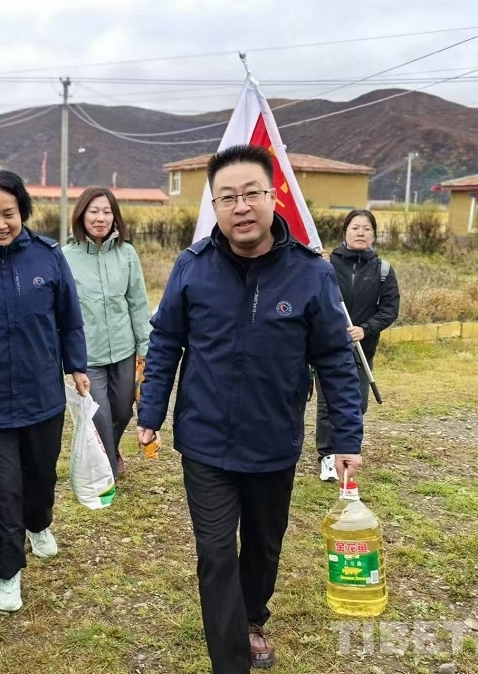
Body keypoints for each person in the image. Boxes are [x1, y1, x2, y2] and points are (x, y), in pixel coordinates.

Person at [136, 144, 364, 674]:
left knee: (263, 546)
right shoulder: (192, 267)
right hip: (206, 440)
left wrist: (346, 439)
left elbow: (335, 359)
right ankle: (231, 660)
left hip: (273, 439)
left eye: (251, 194)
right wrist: (150, 413)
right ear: (214, 206)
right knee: (216, 553)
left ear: (272, 196)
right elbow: (166, 341)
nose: (240, 207)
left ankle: (253, 617)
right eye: (227, 197)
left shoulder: (310, 273)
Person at [0, 167, 89, 614]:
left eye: (9, 213)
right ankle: (7, 571)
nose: (1, 224)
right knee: (2, 490)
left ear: (22, 211)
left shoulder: (48, 257)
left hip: (43, 394)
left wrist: (76, 366)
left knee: (40, 478)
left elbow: (69, 318)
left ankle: (38, 523)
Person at [62, 187, 151, 480]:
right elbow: (62, 311)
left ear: (115, 217)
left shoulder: (127, 254)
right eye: (94, 211)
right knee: (99, 415)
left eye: (106, 212)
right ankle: (106, 472)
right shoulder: (65, 257)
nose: (100, 218)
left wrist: (145, 346)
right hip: (89, 354)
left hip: (124, 350)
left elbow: (138, 303)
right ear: (81, 215)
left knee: (123, 411)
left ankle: (106, 450)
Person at [316, 209, 399, 481]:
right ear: (345, 233)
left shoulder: (383, 270)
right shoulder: (327, 264)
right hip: (329, 346)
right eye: (355, 228)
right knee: (328, 404)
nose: (360, 233)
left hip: (362, 349)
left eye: (366, 228)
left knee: (356, 404)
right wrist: (315, 266)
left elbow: (389, 309)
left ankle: (348, 450)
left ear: (374, 234)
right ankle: (328, 456)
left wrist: (366, 329)